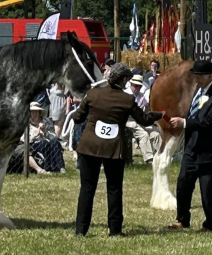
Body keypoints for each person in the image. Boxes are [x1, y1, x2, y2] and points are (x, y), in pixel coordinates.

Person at [72, 63, 163, 237]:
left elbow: (77, 118)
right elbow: (144, 119)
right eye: (127, 79)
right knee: (114, 188)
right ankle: (114, 230)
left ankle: (80, 231)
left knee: (87, 189)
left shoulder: (93, 94)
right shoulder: (127, 99)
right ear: (121, 80)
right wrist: (160, 114)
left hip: (89, 146)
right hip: (113, 148)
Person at [166, 59, 212, 232]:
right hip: (192, 147)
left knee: (207, 187)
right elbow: (195, 112)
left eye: (199, 77)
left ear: (209, 76)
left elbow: (211, 122)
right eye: (195, 76)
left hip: (208, 149)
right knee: (183, 183)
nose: (196, 80)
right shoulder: (198, 90)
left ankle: (210, 223)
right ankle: (182, 219)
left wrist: (185, 123)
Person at [125, 74, 160, 164]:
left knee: (155, 134)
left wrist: (147, 107)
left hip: (140, 120)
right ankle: (149, 159)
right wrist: (139, 107)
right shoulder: (125, 94)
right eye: (135, 86)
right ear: (131, 84)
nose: (137, 88)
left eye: (139, 86)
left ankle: (162, 155)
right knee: (143, 135)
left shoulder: (141, 96)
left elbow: (145, 113)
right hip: (128, 120)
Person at [27, 102, 65, 173]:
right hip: (33, 144)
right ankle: (47, 166)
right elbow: (25, 140)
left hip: (47, 140)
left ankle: (60, 167)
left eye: (36, 111)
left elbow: (54, 136)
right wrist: (34, 136)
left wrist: (44, 131)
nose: (34, 113)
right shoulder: (27, 124)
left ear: (39, 112)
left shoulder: (46, 121)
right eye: (32, 111)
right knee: (43, 143)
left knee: (55, 142)